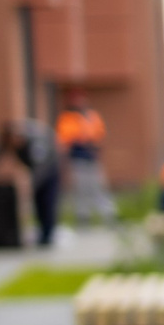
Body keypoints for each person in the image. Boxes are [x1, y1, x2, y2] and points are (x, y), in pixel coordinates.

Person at [56, 93, 110, 229]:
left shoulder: (91, 116)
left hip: (92, 156)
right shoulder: (67, 118)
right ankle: (82, 216)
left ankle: (107, 214)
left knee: (98, 185)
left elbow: (99, 133)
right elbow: (65, 138)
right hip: (77, 157)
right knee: (80, 188)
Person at [8, 116, 61, 248]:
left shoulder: (37, 143)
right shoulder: (17, 144)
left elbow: (41, 167)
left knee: (47, 203)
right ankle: (42, 234)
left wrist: (32, 184)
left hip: (50, 173)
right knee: (38, 204)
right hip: (38, 174)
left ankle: (48, 236)